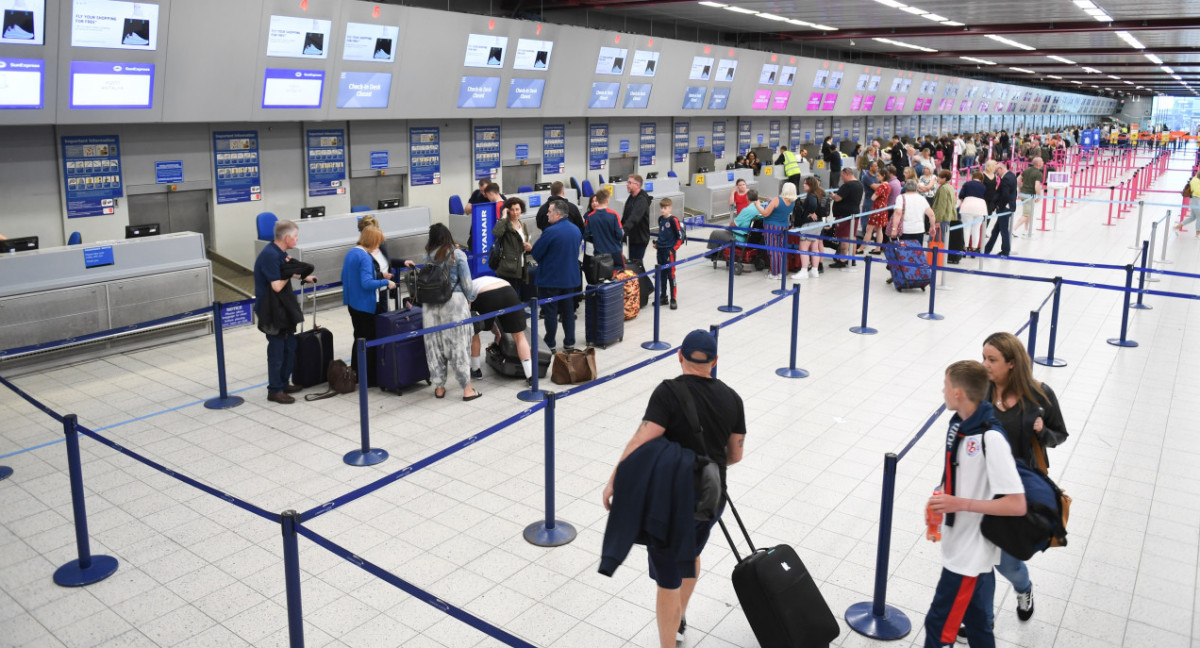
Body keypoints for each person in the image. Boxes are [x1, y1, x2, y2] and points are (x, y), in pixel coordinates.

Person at [600, 329, 746, 648]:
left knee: (667, 578)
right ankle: (679, 620)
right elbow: (735, 455)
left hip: (671, 500)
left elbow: (641, 440)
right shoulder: (733, 398)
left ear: (679, 356)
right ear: (714, 361)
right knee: (690, 553)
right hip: (711, 495)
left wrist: (615, 479)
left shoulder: (668, 393)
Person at [969, 332, 1068, 638]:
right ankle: (982, 620)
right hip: (982, 486)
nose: (984, 364)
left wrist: (1042, 431)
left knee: (1008, 564)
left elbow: (1060, 434)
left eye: (992, 360)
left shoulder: (1040, 395)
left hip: (1018, 492)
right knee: (977, 560)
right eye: (983, 357)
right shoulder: (982, 392)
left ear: (1012, 364)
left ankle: (1024, 589)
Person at [923, 360, 1026, 648]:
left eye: (945, 385)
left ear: (958, 393)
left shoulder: (991, 439)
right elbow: (956, 473)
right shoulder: (957, 425)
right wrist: (939, 494)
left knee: (939, 627)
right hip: (959, 544)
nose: (942, 390)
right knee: (979, 627)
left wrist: (960, 503)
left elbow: (1017, 504)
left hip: (970, 554)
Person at [402, 224, 480, 401]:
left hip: (430, 306)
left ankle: (439, 387)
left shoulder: (427, 257)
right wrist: (471, 298)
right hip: (454, 304)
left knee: (434, 346)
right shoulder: (457, 254)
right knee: (458, 346)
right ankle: (467, 389)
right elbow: (468, 284)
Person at [253, 220, 315, 404]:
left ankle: (283, 382)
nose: (296, 240)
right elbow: (277, 285)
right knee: (277, 351)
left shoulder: (280, 253)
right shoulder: (270, 256)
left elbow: (287, 271)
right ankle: (274, 390)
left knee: (290, 347)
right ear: (287, 237)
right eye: (295, 237)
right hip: (272, 310)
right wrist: (290, 273)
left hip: (283, 308)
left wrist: (303, 275)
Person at [341, 226, 396, 388]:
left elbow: (345, 276)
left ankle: (356, 372)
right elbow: (366, 283)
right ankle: (370, 378)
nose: (378, 246)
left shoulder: (351, 253)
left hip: (353, 304)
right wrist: (386, 282)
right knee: (370, 342)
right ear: (371, 241)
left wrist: (377, 275)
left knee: (359, 338)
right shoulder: (365, 257)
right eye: (377, 243)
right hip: (366, 305)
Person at [531, 200, 583, 353]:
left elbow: (536, 253)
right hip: (570, 279)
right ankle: (569, 343)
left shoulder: (550, 232)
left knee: (551, 313)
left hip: (551, 279)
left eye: (549, 212)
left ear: (558, 214)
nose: (547, 214)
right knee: (568, 312)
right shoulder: (576, 230)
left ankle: (551, 343)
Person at [469, 275, 533, 382]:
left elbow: (477, 315)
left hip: (485, 294)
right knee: (519, 335)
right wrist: (496, 333)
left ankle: (476, 370)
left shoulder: (467, 287)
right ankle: (531, 376)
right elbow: (494, 314)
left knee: (474, 332)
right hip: (508, 291)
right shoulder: (487, 279)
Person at [492, 197, 533, 295]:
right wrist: (503, 217)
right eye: (512, 210)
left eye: (517, 209)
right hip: (508, 267)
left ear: (521, 210)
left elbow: (524, 242)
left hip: (521, 266)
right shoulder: (505, 224)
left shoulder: (522, 225)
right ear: (508, 210)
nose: (515, 212)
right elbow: (496, 233)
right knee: (508, 297)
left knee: (516, 294)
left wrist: (529, 247)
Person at [759, 182, 797, 280]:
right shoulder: (792, 202)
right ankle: (781, 272)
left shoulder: (777, 200)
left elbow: (765, 213)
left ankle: (774, 273)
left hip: (772, 227)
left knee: (773, 250)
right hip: (784, 227)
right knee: (780, 249)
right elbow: (780, 206)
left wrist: (757, 204)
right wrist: (772, 201)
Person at [790, 177, 824, 280]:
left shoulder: (811, 196)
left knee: (803, 248)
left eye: (806, 184)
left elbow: (813, 205)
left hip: (809, 225)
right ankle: (814, 270)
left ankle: (804, 270)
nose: (804, 185)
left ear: (811, 185)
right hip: (817, 224)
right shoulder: (818, 194)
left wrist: (811, 212)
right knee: (814, 247)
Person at [829, 168, 863, 269]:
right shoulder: (859, 184)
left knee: (844, 238)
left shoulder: (848, 185)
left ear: (846, 174)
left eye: (842, 176)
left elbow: (838, 198)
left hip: (845, 216)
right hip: (855, 214)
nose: (842, 178)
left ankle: (842, 260)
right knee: (852, 237)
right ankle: (852, 259)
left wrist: (832, 195)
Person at [585, 188, 626, 272]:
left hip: (599, 253)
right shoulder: (614, 215)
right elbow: (619, 234)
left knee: (601, 276)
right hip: (615, 252)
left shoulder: (590, 217)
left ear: (597, 200)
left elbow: (586, 236)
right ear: (607, 200)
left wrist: (596, 240)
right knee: (619, 276)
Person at [653, 198, 683, 309]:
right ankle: (663, 296)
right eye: (661, 208)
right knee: (662, 274)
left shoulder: (673, 220)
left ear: (670, 208)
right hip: (660, 251)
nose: (662, 210)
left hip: (669, 252)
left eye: (665, 208)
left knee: (671, 275)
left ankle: (673, 298)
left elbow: (680, 237)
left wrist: (673, 249)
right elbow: (662, 234)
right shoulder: (660, 219)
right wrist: (657, 244)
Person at [984, 163, 1017, 256]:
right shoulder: (1012, 175)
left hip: (1005, 209)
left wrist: (1000, 206)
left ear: (1001, 168)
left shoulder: (1006, 178)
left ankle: (1005, 251)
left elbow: (1005, 195)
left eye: (997, 171)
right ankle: (987, 249)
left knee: (1003, 230)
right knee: (996, 230)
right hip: (1009, 207)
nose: (996, 173)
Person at [889, 179, 935, 245]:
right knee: (917, 253)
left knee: (905, 252)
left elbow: (897, 214)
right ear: (916, 188)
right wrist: (932, 227)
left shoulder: (900, 198)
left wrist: (894, 229)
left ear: (905, 187)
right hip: (919, 229)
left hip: (905, 230)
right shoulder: (921, 198)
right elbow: (931, 215)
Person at [621, 174, 652, 264]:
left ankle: (642, 278)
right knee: (633, 264)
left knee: (637, 265)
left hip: (640, 239)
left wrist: (623, 230)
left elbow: (634, 217)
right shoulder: (631, 197)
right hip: (632, 238)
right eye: (628, 182)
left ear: (637, 185)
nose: (627, 184)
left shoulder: (641, 200)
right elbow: (626, 216)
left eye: (630, 183)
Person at [860, 166, 891, 254]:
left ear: (883, 175)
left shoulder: (881, 186)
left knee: (869, 229)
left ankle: (861, 248)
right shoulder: (888, 185)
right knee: (879, 229)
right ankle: (878, 248)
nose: (877, 178)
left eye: (878, 176)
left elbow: (873, 198)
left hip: (877, 209)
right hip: (883, 208)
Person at [958, 172, 989, 253]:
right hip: (980, 208)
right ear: (981, 179)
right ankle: (974, 248)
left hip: (967, 206)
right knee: (976, 229)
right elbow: (986, 197)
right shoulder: (984, 186)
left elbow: (961, 195)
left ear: (973, 177)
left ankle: (965, 247)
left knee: (966, 228)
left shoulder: (967, 184)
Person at [1013, 157, 1043, 235]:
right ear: (1039, 164)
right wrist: (1039, 195)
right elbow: (1037, 186)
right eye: (1042, 161)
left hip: (1023, 193)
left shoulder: (1027, 170)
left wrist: (1020, 188)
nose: (1043, 162)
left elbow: (1018, 179)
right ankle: (1014, 229)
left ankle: (1026, 229)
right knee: (1026, 214)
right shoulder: (1038, 174)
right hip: (1029, 195)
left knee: (1028, 213)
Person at [930, 169, 956, 244]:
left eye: (939, 177)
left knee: (938, 240)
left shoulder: (943, 188)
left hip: (942, 218)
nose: (937, 178)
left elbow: (941, 205)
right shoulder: (950, 187)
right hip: (948, 216)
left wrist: (938, 220)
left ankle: (937, 255)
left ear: (944, 178)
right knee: (944, 239)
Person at [1178, 169, 1200, 235]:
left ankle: (1179, 225)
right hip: (1195, 200)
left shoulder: (1195, 179)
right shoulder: (1196, 181)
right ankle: (1198, 232)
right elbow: (1196, 191)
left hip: (1194, 200)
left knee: (1193, 217)